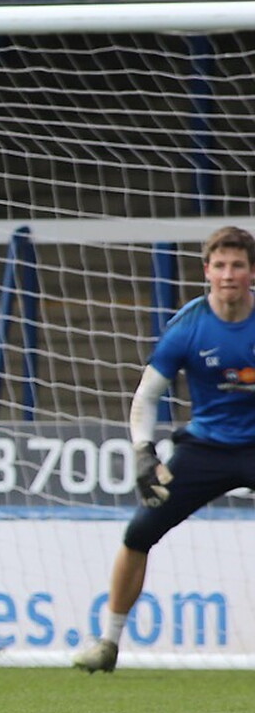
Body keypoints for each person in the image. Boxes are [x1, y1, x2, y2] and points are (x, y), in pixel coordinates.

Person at [74, 225, 255, 673]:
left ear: (252, 272)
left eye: (237, 265)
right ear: (206, 271)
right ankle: (108, 643)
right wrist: (143, 452)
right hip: (205, 449)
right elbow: (147, 396)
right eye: (220, 265)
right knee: (139, 533)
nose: (228, 274)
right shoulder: (188, 326)